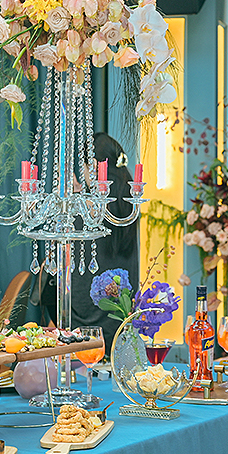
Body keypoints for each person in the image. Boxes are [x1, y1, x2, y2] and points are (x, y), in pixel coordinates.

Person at [31, 132, 139, 353]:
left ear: (95, 166)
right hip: (120, 312)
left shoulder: (88, 210)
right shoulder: (128, 200)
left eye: (85, 167)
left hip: (85, 318)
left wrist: (70, 202)